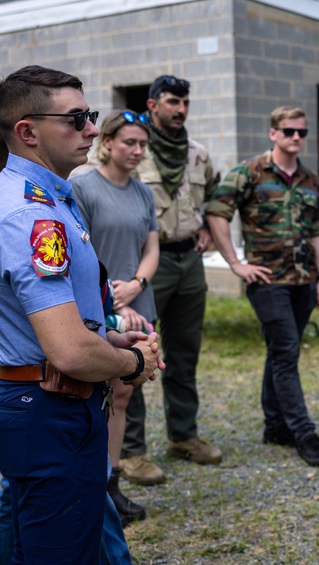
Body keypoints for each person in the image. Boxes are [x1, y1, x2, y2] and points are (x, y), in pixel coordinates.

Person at [0, 65, 162, 563]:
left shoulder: (42, 197)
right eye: (76, 119)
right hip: (50, 411)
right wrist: (134, 365)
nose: (92, 129)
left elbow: (43, 324)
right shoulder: (34, 215)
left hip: (37, 402)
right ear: (27, 131)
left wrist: (108, 341)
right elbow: (69, 350)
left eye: (90, 115)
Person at [206, 106, 319, 467]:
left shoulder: (309, 180)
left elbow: (317, 230)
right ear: (273, 133)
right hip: (267, 281)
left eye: (302, 132)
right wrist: (236, 263)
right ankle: (303, 432)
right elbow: (217, 212)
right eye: (289, 131)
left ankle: (275, 425)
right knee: (286, 352)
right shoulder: (249, 172)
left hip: (304, 281)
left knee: (280, 351)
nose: (297, 137)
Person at [121, 75, 222, 486]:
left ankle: (183, 435)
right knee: (138, 352)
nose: (180, 109)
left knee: (184, 351)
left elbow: (217, 195)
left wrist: (208, 228)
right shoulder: (132, 151)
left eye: (185, 102)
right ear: (153, 104)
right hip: (145, 264)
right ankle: (130, 452)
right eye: (172, 102)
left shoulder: (198, 154)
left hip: (188, 260)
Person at [71, 109, 161, 526]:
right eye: (129, 142)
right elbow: (82, 250)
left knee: (125, 392)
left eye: (142, 144)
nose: (137, 150)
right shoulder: (83, 186)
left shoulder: (143, 192)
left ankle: (111, 483)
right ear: (106, 141)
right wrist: (114, 303)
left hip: (138, 302)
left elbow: (152, 247)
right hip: (101, 303)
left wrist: (138, 285)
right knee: (100, 392)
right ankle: (90, 487)